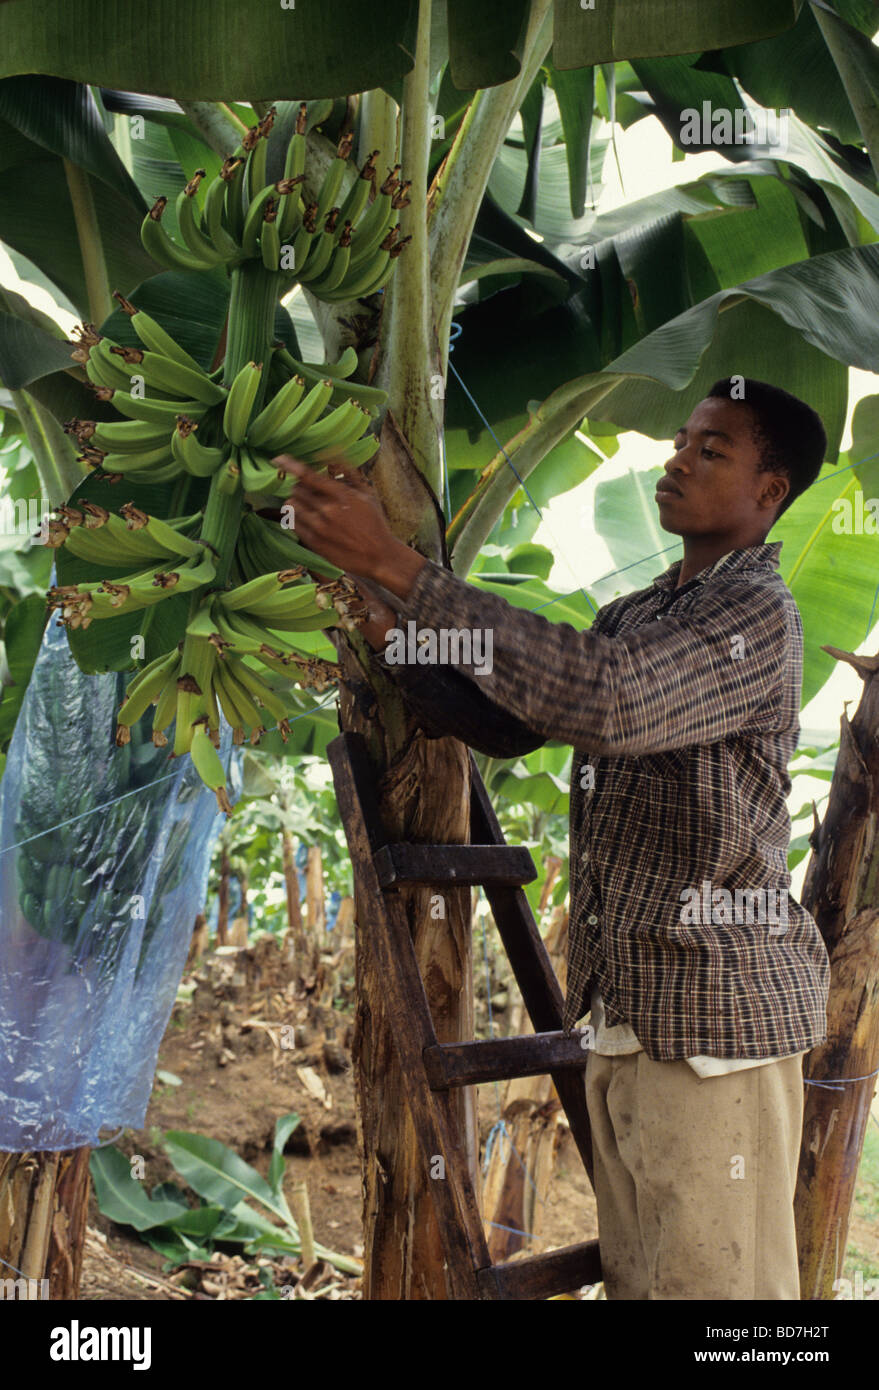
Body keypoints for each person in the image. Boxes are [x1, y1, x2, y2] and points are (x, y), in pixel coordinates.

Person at [274, 376, 832, 1300]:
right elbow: (514, 724)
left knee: (724, 1302)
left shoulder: (753, 618)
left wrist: (406, 566)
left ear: (770, 493)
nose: (677, 460)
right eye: (682, 441)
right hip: (624, 1019)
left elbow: (605, 698)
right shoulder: (640, 614)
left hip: (711, 1027)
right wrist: (395, 632)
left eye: (711, 450)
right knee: (646, 1283)